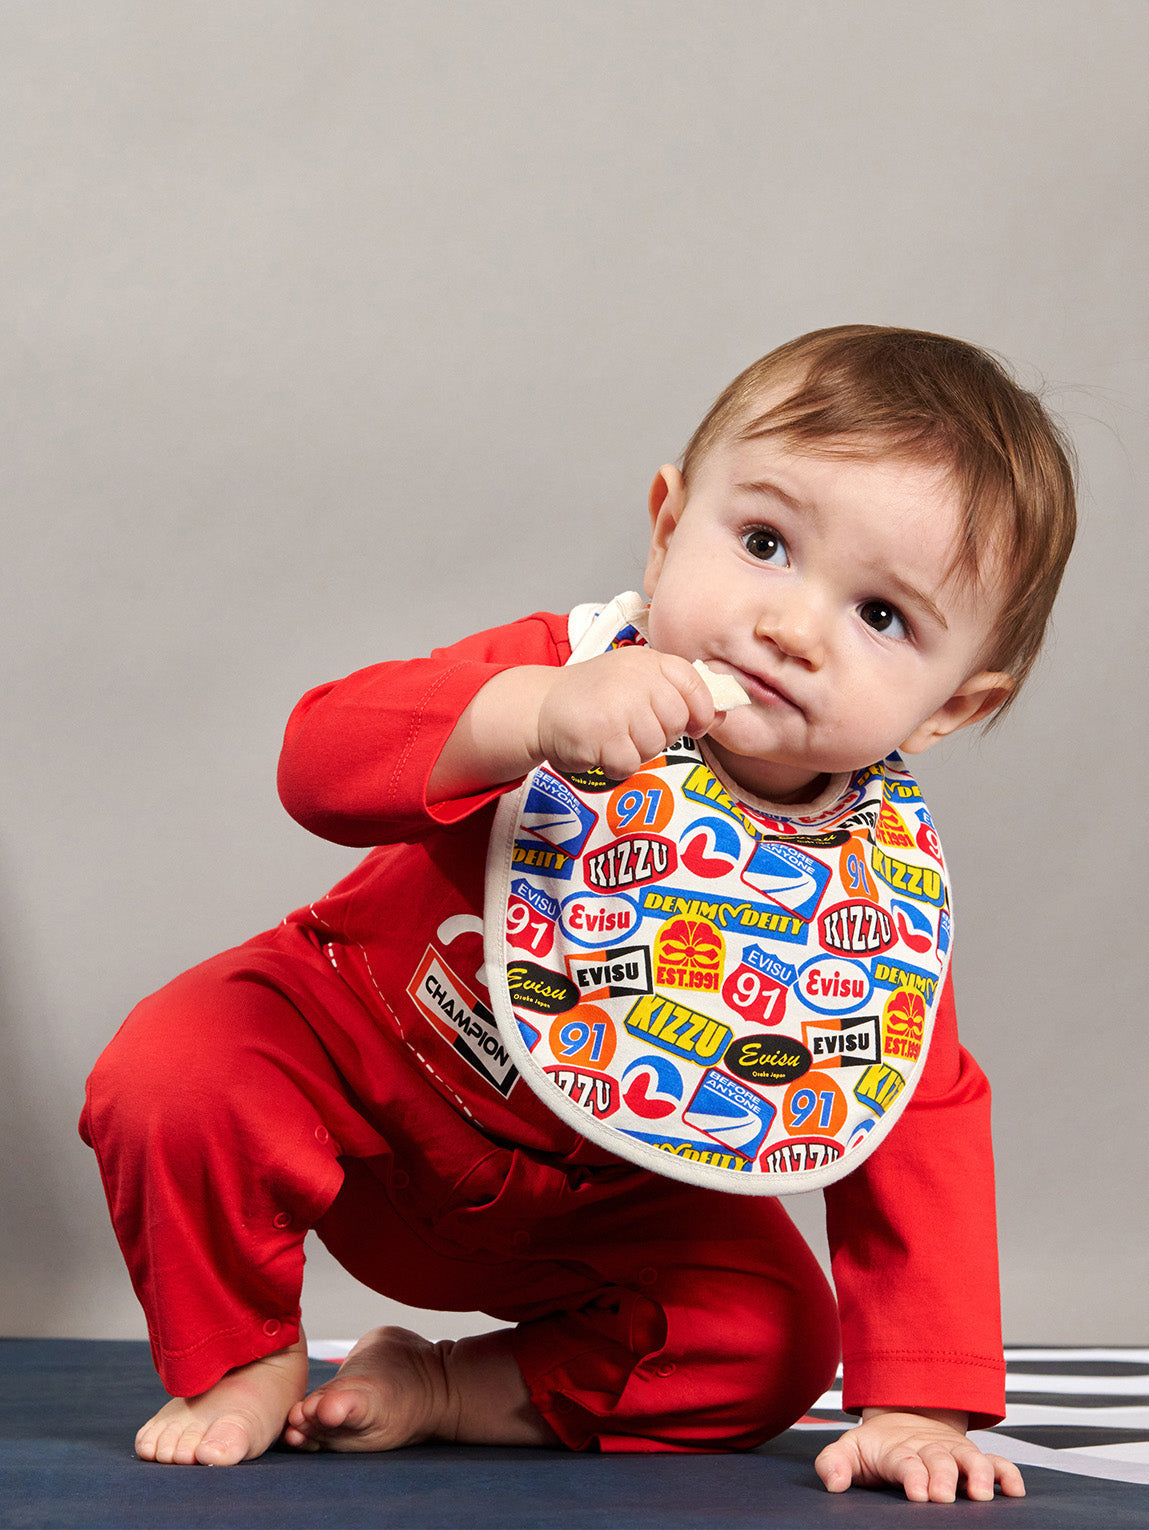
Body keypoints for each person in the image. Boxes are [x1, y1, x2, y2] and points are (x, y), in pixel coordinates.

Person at [80, 325, 1075, 1502]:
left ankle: (454, 1389)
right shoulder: (561, 671)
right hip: (357, 1073)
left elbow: (916, 1118)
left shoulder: (867, 886)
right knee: (178, 1067)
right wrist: (527, 715)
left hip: (603, 1198)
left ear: (953, 706)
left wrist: (916, 1405)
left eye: (879, 617)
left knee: (771, 1341)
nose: (792, 628)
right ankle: (241, 1356)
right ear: (666, 526)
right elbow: (318, 760)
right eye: (763, 544)